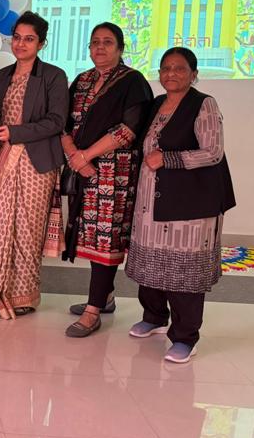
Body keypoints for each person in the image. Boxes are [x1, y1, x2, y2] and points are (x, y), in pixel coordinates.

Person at [124, 47, 236, 363]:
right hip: (150, 201)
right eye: (165, 68)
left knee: (184, 272)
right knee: (151, 263)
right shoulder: (157, 104)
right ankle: (154, 317)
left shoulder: (204, 104)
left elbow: (212, 152)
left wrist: (168, 159)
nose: (171, 73)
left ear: (194, 74)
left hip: (190, 204)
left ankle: (185, 337)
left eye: (179, 68)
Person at [61, 22, 153, 337]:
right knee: (89, 237)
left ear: (120, 48)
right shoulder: (82, 80)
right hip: (83, 169)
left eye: (107, 42)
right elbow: (63, 124)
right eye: (95, 42)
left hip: (115, 174)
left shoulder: (133, 81)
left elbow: (128, 130)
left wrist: (86, 156)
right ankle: (106, 297)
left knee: (105, 239)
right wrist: (75, 157)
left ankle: (93, 311)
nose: (100, 47)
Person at [0, 11, 69, 318]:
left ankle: (23, 296)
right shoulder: (2, 76)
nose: (21, 44)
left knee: (28, 231)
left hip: (35, 163)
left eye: (29, 39)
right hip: (1, 160)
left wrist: (16, 133)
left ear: (41, 44)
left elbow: (56, 121)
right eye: (16, 37)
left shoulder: (53, 76)